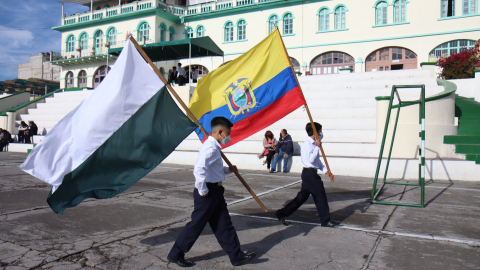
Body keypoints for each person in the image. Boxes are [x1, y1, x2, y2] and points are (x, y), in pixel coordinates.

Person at [167, 116, 256, 267]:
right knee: (196, 225)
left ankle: (236, 256)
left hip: (215, 191)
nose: (228, 137)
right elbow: (199, 169)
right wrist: (202, 190)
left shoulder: (214, 147)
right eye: (228, 133)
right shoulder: (210, 147)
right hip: (208, 192)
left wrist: (229, 170)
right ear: (220, 132)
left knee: (224, 224)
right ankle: (176, 254)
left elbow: (213, 169)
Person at [274, 122, 339, 228]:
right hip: (309, 174)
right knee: (320, 196)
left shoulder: (314, 144)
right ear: (315, 132)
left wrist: (327, 172)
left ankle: (281, 213)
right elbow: (311, 160)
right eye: (319, 131)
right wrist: (317, 147)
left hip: (311, 173)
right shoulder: (307, 145)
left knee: (300, 198)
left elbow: (318, 162)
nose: (321, 133)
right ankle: (325, 220)